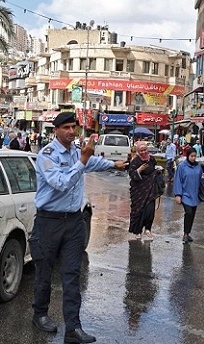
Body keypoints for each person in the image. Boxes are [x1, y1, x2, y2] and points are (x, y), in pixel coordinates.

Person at [29, 112, 127, 344]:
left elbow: (93, 162)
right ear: (56, 130)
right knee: (44, 273)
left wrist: (116, 164)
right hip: (49, 222)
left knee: (72, 275)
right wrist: (82, 161)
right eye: (66, 128)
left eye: (74, 127)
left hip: (73, 223)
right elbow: (61, 184)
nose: (72, 132)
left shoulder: (76, 152)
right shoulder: (47, 155)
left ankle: (73, 328)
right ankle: (40, 314)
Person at [128, 141, 161, 240]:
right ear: (138, 151)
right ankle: (137, 231)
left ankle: (148, 229)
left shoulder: (151, 159)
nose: (143, 152)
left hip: (150, 190)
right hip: (138, 191)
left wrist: (158, 171)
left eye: (145, 150)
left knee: (150, 210)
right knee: (138, 211)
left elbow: (155, 170)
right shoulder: (135, 161)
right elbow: (131, 174)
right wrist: (139, 170)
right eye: (141, 150)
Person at [173, 147, 204, 243]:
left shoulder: (198, 166)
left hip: (194, 195)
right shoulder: (182, 166)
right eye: (191, 156)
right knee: (189, 213)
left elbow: (200, 180)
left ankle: (188, 233)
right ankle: (185, 234)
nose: (193, 158)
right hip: (185, 195)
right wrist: (178, 195)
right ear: (187, 156)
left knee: (192, 214)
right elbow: (178, 181)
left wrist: (203, 179)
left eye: (195, 156)